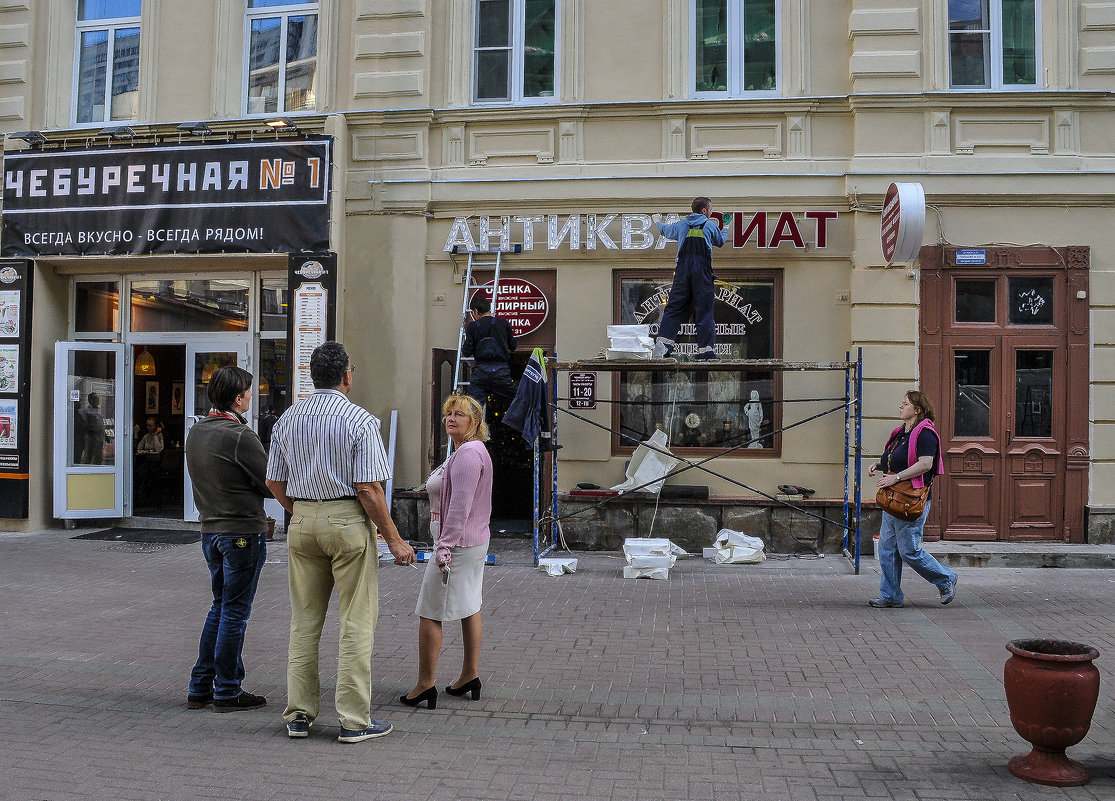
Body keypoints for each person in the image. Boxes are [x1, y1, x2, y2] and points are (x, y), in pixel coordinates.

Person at [265, 341, 416, 743]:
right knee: (356, 622)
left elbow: (274, 481)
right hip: (347, 518)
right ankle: (354, 720)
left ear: (314, 376)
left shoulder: (288, 419)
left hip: (302, 518)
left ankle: (298, 714)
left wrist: (299, 510)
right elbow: (369, 489)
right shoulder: (360, 421)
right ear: (347, 376)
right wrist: (395, 540)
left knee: (305, 621)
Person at [184, 366, 271, 712]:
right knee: (235, 612)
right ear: (238, 399)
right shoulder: (239, 436)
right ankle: (227, 690)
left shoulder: (196, 432)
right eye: (250, 393)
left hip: (210, 531)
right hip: (241, 532)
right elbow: (270, 482)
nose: (252, 397)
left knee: (220, 607)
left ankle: (200, 686)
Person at [401, 394, 493, 710]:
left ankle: (425, 685)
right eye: (448, 414)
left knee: (430, 611)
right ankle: (469, 675)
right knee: (469, 605)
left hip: (458, 546)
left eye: (460, 415)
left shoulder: (468, 454)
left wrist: (444, 547)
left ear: (475, 422)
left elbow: (460, 506)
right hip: (471, 542)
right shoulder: (464, 451)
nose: (451, 418)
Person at [867, 390, 958, 608]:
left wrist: (895, 477)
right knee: (887, 549)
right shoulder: (900, 433)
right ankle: (891, 595)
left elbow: (925, 464)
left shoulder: (925, 433)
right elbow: (898, 459)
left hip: (911, 500)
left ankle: (945, 578)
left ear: (917, 410)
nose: (901, 406)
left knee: (909, 550)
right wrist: (879, 466)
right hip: (893, 499)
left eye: (905, 404)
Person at [651, 197, 727, 361]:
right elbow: (720, 241)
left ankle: (662, 349)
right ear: (704, 211)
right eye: (711, 209)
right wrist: (726, 226)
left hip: (683, 271)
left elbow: (664, 230)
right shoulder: (710, 226)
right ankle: (706, 352)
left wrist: (657, 220)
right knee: (704, 311)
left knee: (674, 308)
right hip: (702, 272)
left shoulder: (681, 225)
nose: (712, 212)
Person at [461, 295, 517, 405]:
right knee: (517, 401)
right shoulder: (503, 323)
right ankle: (522, 421)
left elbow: (466, 352)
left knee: (473, 407)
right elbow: (513, 346)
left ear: (476, 311)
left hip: (481, 372)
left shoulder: (472, 327)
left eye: (473, 312)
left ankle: (473, 422)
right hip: (501, 371)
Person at [78, 392, 106, 464]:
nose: (98, 401)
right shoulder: (86, 411)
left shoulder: (99, 410)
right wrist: (90, 432)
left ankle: (99, 470)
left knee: (99, 455)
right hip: (91, 436)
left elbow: (100, 423)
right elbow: (83, 424)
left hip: (100, 436)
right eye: (96, 399)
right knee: (89, 455)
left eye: (98, 399)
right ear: (90, 400)